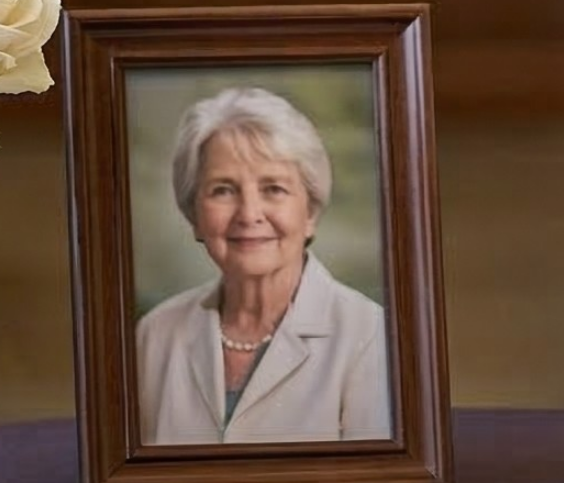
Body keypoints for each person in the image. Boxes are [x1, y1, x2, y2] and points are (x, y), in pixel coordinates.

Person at [133, 85, 390, 446]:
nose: (249, 214)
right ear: (193, 214)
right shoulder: (155, 334)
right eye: (223, 190)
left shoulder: (371, 336)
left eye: (273, 189)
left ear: (311, 211)